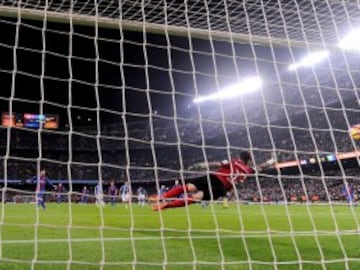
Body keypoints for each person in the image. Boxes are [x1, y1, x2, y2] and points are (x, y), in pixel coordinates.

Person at [150, 151, 276, 211]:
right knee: (195, 198)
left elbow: (217, 164)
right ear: (248, 160)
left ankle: (162, 197)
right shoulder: (249, 170)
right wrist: (271, 162)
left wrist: (202, 165)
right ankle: (167, 205)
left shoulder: (233, 162)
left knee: (187, 187)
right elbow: (261, 167)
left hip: (214, 178)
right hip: (221, 189)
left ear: (240, 157)